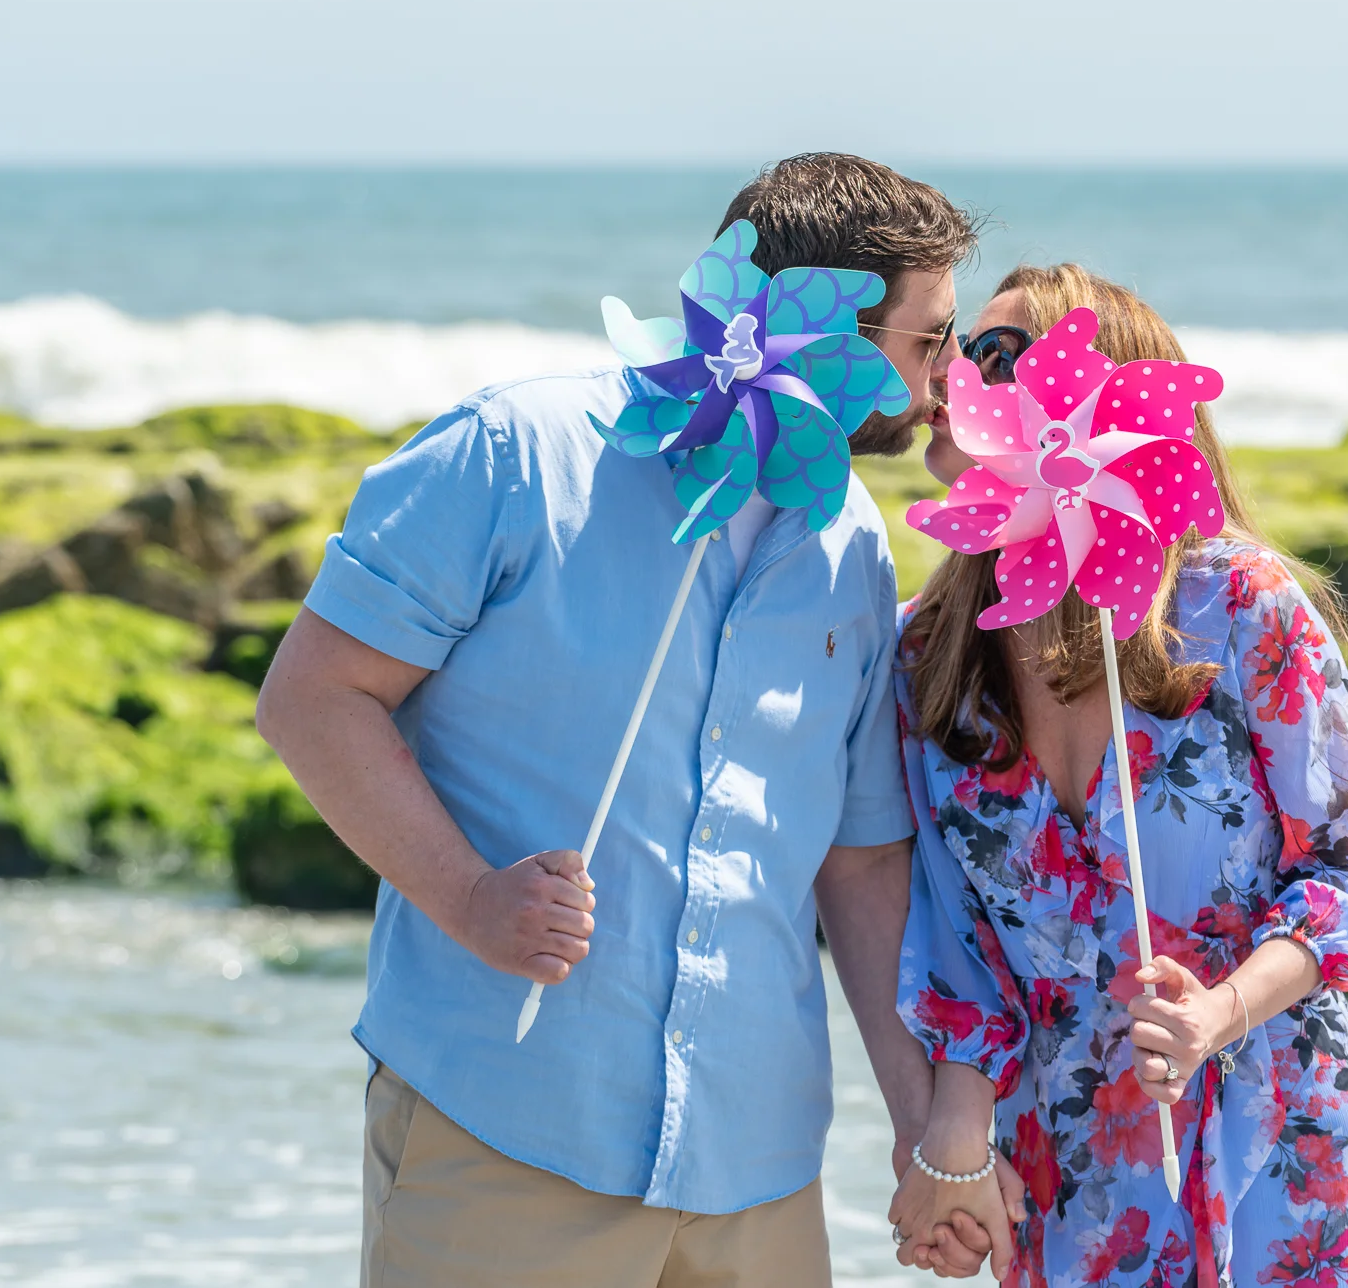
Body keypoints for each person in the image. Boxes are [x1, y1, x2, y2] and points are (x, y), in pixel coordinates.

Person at [255, 153, 1017, 1288]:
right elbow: (313, 698)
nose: (949, 376)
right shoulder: (513, 451)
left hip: (755, 1166)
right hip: (508, 1126)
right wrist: (471, 898)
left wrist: (924, 1131)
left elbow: (858, 861)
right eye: (934, 337)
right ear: (827, 333)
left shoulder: (852, 540)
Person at [885, 264, 1348, 1287]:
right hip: (1077, 1178)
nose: (955, 374)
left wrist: (1214, 1014)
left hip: (1283, 1147)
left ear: (1101, 397)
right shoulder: (927, 657)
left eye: (996, 355)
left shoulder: (1239, 606)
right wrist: (950, 1144)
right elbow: (954, 944)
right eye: (957, 348)